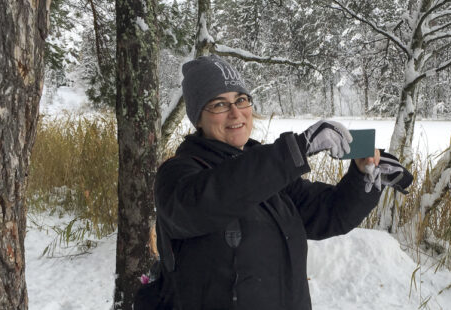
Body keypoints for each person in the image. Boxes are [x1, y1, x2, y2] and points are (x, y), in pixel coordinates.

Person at [152, 55, 412, 310]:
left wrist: (363, 178)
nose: (236, 113)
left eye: (241, 100)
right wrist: (295, 150)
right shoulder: (178, 175)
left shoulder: (266, 171)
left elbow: (328, 213)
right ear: (198, 118)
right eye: (219, 104)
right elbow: (206, 202)